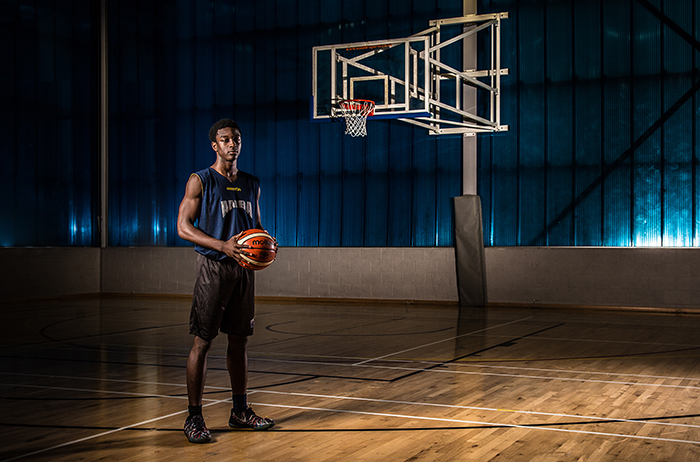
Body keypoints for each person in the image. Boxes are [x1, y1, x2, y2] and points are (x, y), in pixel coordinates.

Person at [177, 118, 276, 444]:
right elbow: (183, 226)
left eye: (236, 139)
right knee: (202, 343)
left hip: (243, 272)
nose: (232, 144)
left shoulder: (251, 183)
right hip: (214, 268)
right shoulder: (200, 180)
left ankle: (240, 411)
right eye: (225, 139)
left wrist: (266, 244)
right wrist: (222, 245)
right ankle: (194, 417)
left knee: (239, 342)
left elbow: (256, 224)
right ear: (214, 145)